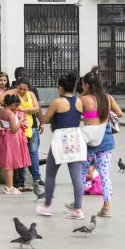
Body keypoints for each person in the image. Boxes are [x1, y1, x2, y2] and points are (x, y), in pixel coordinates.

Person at [38, 72, 86, 220]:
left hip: (61, 139)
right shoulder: (79, 101)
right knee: (76, 177)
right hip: (76, 138)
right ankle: (78, 209)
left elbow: (45, 119)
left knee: (51, 173)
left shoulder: (57, 102)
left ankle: (47, 206)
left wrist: (39, 112)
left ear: (60, 88)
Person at [77, 67, 123, 218]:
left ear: (87, 85)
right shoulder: (107, 98)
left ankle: (77, 205)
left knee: (82, 172)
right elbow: (120, 113)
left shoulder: (83, 99)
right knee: (104, 174)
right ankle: (107, 207)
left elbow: (75, 115)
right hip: (106, 139)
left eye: (83, 84)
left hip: (89, 140)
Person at [10, 76, 41, 190]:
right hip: (19, 128)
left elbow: (37, 109)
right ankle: (20, 181)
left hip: (31, 127)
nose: (22, 91)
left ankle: (36, 177)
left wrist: (24, 110)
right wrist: (28, 109)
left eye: (25, 89)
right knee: (21, 154)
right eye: (20, 88)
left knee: (33, 153)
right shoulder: (14, 94)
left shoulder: (31, 94)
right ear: (17, 86)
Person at [0, 93, 30, 195]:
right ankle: (10, 187)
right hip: (12, 138)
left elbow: (2, 124)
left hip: (5, 136)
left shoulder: (2, 111)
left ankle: (8, 186)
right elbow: (14, 129)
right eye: (17, 106)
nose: (17, 108)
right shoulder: (10, 114)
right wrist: (21, 120)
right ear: (12, 105)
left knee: (8, 163)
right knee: (10, 163)